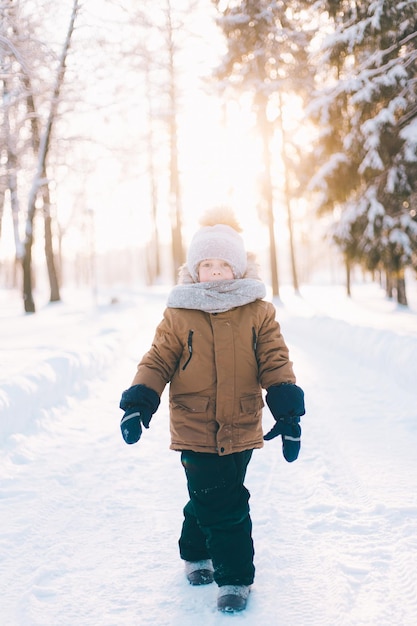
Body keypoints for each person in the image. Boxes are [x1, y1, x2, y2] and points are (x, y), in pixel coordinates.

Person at [119, 208, 305, 613]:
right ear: (195, 269)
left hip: (240, 422)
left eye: (224, 265)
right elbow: (158, 360)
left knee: (211, 494)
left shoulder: (258, 311)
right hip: (195, 423)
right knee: (225, 502)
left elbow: (275, 360)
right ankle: (235, 578)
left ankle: (195, 551)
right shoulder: (180, 310)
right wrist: (139, 401)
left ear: (237, 268)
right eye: (208, 264)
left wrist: (287, 411)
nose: (216, 272)